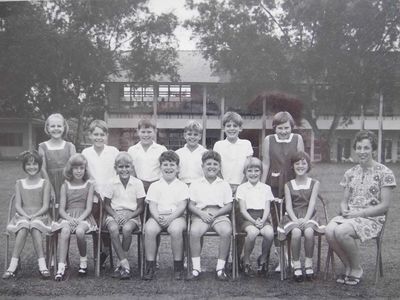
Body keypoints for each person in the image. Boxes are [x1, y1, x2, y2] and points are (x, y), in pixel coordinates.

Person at [325, 130, 396, 286]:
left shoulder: (385, 173)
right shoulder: (351, 173)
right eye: (359, 148)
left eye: (366, 148)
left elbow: (384, 206)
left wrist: (360, 213)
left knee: (341, 231)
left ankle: (357, 269)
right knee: (329, 231)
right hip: (350, 217)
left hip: (372, 219)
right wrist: (344, 209)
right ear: (355, 149)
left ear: (373, 149)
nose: (362, 152)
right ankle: (348, 266)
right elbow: (344, 201)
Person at [260, 111, 304, 273]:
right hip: (274, 185)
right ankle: (281, 259)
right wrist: (262, 188)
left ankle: (293, 259)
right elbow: (265, 163)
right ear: (274, 128)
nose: (284, 131)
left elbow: (301, 163)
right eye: (280, 128)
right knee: (277, 223)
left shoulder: (297, 139)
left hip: (292, 185)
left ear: (291, 127)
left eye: (286, 128)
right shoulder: (268, 140)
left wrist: (300, 184)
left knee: (291, 222)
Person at [3, 151, 52, 279]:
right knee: (23, 227)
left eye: (35, 164)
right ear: (24, 166)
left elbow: (46, 206)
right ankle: (12, 266)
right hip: (22, 215)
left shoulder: (44, 183)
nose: (32, 167)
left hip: (40, 216)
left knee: (35, 227)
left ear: (39, 165)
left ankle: (43, 266)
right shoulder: (19, 183)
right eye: (28, 164)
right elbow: (18, 205)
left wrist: (34, 215)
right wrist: (26, 215)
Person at [143, 151, 189, 280]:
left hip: (176, 217)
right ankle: (150, 266)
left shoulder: (182, 186)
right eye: (165, 164)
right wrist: (157, 217)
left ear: (178, 168)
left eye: (172, 164)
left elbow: (182, 206)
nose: (168, 167)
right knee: (150, 229)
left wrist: (171, 218)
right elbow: (152, 205)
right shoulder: (155, 185)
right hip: (158, 216)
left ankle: (178, 266)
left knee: (175, 230)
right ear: (160, 167)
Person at [188, 150, 233, 281]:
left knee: (226, 231)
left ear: (219, 167)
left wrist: (217, 213)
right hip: (201, 214)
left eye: (215, 164)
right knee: (195, 231)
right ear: (202, 166)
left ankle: (220, 268)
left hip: (219, 214)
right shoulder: (196, 183)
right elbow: (191, 205)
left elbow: (229, 205)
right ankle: (196, 268)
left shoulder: (224, 184)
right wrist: (201, 213)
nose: (211, 166)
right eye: (208, 164)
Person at [278, 151, 323, 281]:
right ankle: (296, 264)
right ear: (292, 166)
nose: (300, 166)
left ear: (308, 165)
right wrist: (296, 220)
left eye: (303, 163)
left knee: (309, 231)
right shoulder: (288, 185)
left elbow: (312, 203)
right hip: (293, 216)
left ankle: (308, 264)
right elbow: (288, 207)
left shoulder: (315, 183)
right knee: (296, 232)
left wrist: (306, 219)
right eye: (297, 163)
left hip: (309, 215)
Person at [52, 154, 97, 280]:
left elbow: (88, 208)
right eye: (75, 168)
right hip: (68, 216)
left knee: (80, 231)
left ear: (85, 169)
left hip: (84, 216)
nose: (78, 171)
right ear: (70, 170)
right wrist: (70, 218)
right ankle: (61, 267)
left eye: (81, 168)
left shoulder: (89, 185)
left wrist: (79, 219)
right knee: (65, 231)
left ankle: (83, 261)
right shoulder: (65, 185)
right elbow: (61, 209)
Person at [82, 119, 119, 267]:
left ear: (107, 136)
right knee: (95, 225)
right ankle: (99, 254)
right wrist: (95, 191)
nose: (99, 137)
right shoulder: (86, 152)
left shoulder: (113, 151)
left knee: (107, 225)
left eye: (102, 134)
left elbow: (116, 173)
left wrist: (108, 192)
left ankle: (107, 251)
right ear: (90, 135)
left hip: (110, 195)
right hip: (93, 195)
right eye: (95, 134)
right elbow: (87, 174)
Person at [103, 152, 145, 280]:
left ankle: (119, 264)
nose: (124, 170)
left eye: (127, 166)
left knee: (127, 229)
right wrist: (115, 215)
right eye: (121, 167)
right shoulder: (111, 182)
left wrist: (128, 216)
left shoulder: (137, 183)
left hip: (132, 215)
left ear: (132, 167)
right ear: (116, 168)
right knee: (113, 229)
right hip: (114, 214)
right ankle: (125, 264)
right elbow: (106, 205)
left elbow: (140, 207)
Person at [237, 157, 275, 277]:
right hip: (247, 217)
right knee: (252, 233)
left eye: (256, 171)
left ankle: (262, 259)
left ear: (261, 172)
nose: (253, 174)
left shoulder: (266, 188)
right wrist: (254, 221)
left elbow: (267, 208)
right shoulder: (242, 188)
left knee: (269, 233)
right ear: (245, 172)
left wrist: (263, 220)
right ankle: (246, 259)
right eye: (250, 171)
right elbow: (242, 210)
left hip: (262, 217)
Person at [38, 113, 76, 208]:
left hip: (67, 183)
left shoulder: (70, 146)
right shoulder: (42, 146)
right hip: (49, 183)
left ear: (64, 127)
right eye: (52, 126)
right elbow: (42, 169)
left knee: (66, 209)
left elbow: (74, 168)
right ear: (47, 128)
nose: (56, 129)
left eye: (59, 126)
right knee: (51, 210)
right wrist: (50, 188)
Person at [213, 111, 253, 194]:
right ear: (223, 128)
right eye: (228, 126)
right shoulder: (218, 145)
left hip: (243, 185)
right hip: (222, 186)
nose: (232, 128)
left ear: (240, 128)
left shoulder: (246, 144)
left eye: (235, 126)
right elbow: (216, 168)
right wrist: (225, 186)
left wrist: (241, 186)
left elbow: (248, 167)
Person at [128, 119, 167, 193]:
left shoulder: (161, 149)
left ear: (155, 132)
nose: (146, 135)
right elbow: (131, 171)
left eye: (149, 132)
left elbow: (165, 169)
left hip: (157, 185)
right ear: (138, 132)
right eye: (143, 132)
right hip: (138, 185)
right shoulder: (132, 150)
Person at [175, 120, 207, 185]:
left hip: (200, 185)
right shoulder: (177, 153)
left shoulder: (205, 153)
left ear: (200, 136)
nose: (192, 137)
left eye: (195, 134)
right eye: (189, 134)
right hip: (182, 185)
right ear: (185, 135)